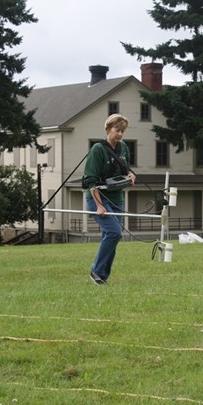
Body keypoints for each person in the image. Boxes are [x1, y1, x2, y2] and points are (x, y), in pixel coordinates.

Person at [82, 114, 136, 284]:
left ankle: (102, 277)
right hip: (97, 197)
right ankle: (95, 271)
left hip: (117, 198)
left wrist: (131, 175)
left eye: (122, 131)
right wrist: (99, 205)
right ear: (107, 129)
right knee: (114, 232)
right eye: (116, 130)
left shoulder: (124, 148)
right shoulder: (98, 149)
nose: (119, 134)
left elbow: (125, 169)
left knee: (112, 236)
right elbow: (90, 181)